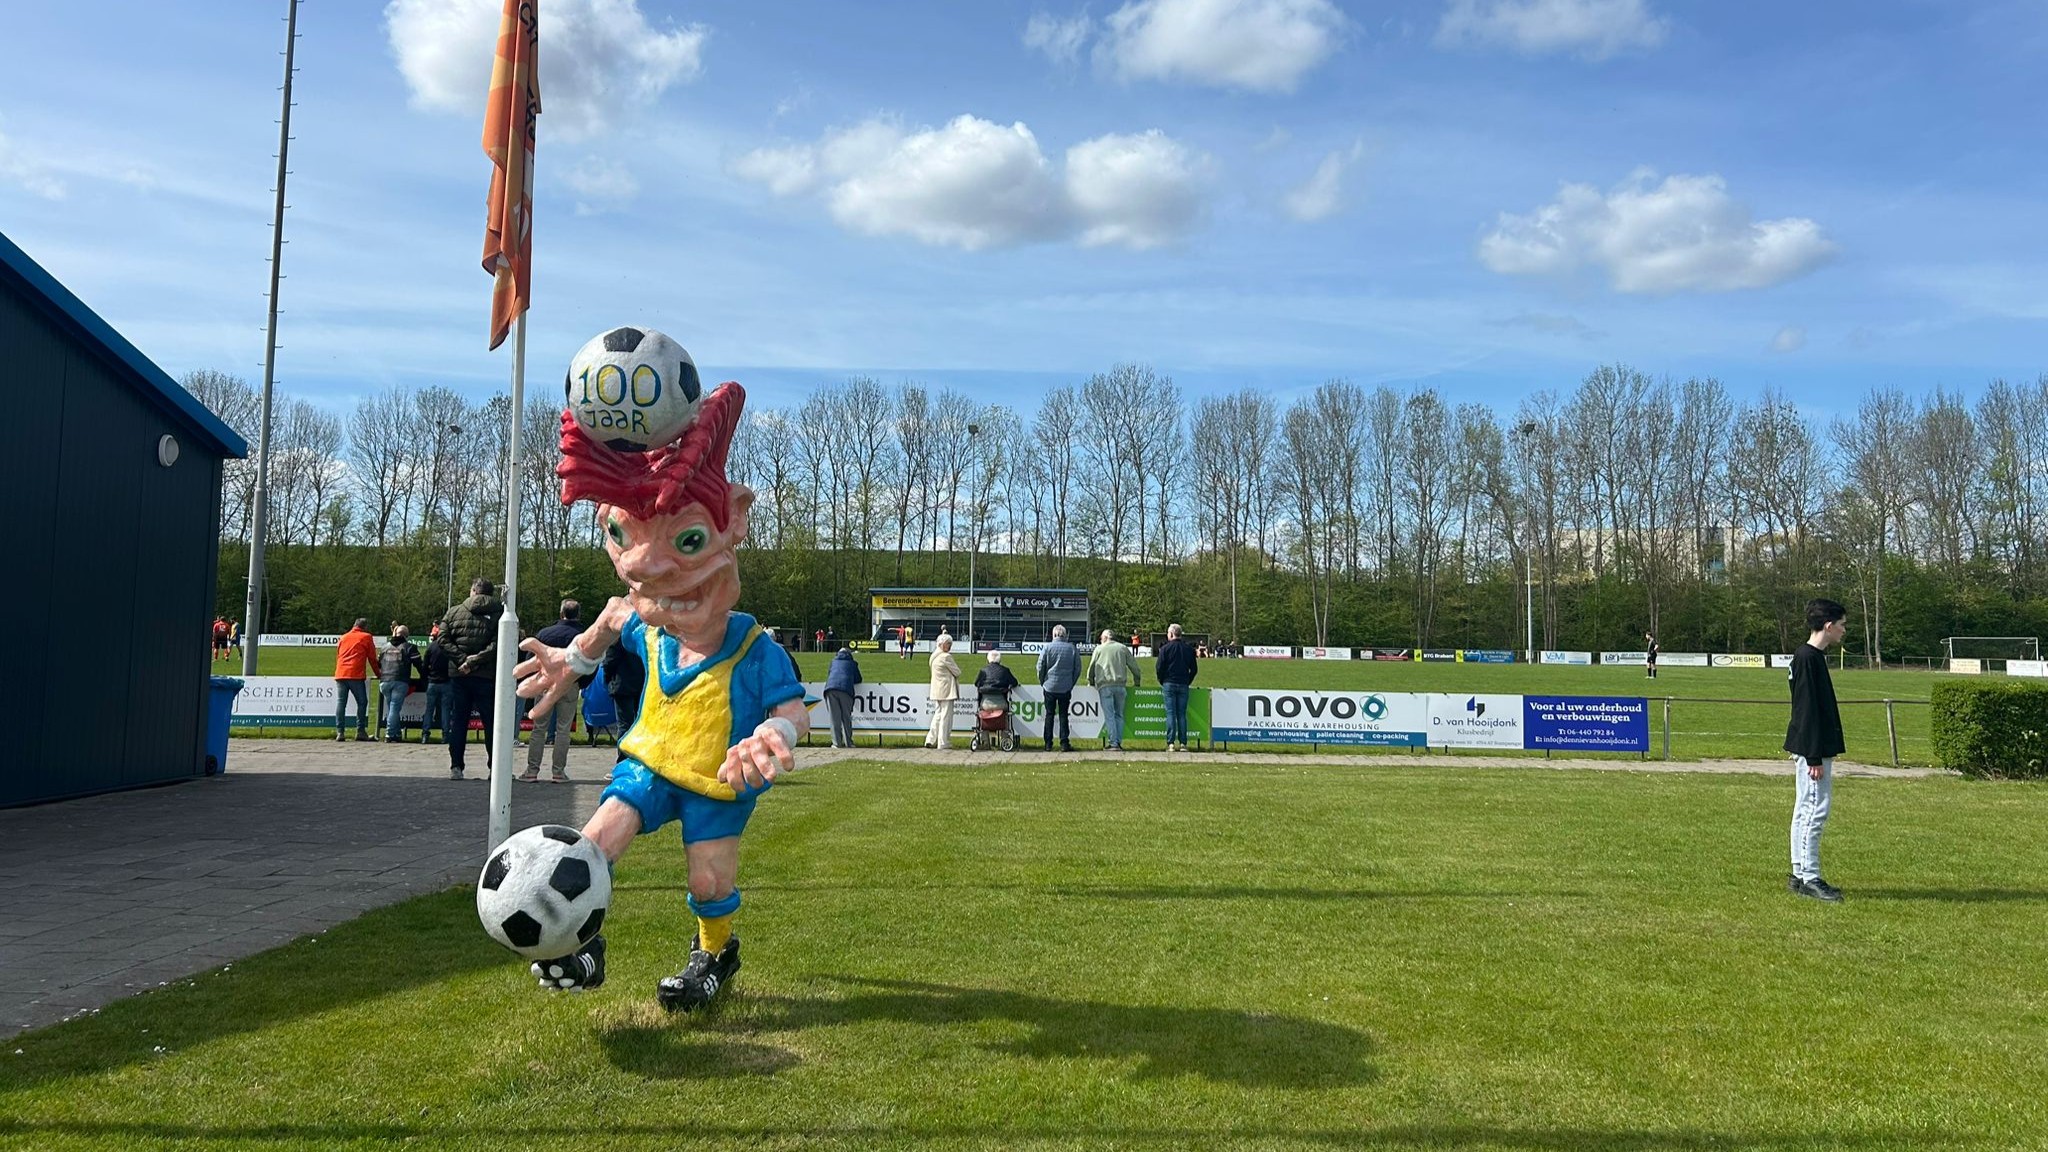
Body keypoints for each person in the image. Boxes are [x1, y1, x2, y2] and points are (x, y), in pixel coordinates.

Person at [513, 356, 807, 1011]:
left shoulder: (751, 647)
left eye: (689, 540)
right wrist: (573, 661)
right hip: (647, 764)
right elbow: (611, 619)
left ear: (734, 520)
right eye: (622, 535)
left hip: (718, 778)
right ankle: (581, 943)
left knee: (709, 881)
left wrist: (774, 733)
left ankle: (714, 953)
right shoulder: (647, 628)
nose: (646, 566)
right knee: (596, 843)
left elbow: (793, 708)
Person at [1785, 598, 1849, 902]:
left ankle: (1799, 873)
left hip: (1812, 745)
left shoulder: (1810, 657)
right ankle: (1810, 877)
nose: (1844, 630)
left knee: (1805, 809)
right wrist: (1813, 755)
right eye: (1842, 625)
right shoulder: (1808, 658)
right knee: (1814, 810)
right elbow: (1806, 709)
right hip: (1813, 748)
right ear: (1828, 625)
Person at [437, 577, 503, 780]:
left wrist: (462, 661)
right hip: (486, 675)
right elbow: (498, 643)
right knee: (491, 723)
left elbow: (442, 639)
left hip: (459, 675)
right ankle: (495, 768)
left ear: (472, 590)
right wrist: (474, 661)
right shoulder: (499, 613)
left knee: (459, 721)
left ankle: (456, 766)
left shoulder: (453, 612)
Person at [522, 601, 587, 782]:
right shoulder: (583, 636)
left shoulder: (545, 634)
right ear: (578, 615)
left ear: (561, 613)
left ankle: (532, 770)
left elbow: (530, 658)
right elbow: (592, 661)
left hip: (546, 683)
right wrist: (580, 683)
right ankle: (558, 772)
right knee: (563, 730)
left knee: (539, 728)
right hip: (570, 684)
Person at [1087, 628, 1141, 751]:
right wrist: (1137, 682)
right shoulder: (1122, 648)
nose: (1100, 640)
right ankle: (1118, 742)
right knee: (1119, 715)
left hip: (1105, 685)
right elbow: (1134, 667)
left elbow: (1092, 667)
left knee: (1109, 716)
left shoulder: (1099, 649)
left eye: (1101, 638)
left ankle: (1113, 743)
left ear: (1105, 638)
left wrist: (1091, 681)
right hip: (1121, 686)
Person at [333, 619, 380, 742]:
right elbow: (372, 658)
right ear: (365, 627)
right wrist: (379, 674)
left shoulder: (343, 637)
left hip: (341, 673)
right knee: (362, 702)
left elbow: (338, 655)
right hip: (355, 674)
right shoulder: (366, 637)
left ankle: (340, 732)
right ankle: (360, 731)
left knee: (341, 703)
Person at [1036, 625, 1079, 753]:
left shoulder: (1047, 648)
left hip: (1049, 686)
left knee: (1049, 714)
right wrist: (1071, 683)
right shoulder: (1072, 648)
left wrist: (1042, 681)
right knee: (1063, 714)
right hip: (1065, 687)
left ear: (1053, 635)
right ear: (1065, 635)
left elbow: (1040, 666)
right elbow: (1077, 668)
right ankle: (1064, 742)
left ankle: (1048, 743)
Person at [1155, 623, 1198, 751]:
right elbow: (1194, 669)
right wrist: (1188, 680)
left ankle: (1171, 743)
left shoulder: (1165, 649)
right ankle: (1183, 743)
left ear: (1171, 634)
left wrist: (1162, 680)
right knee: (1181, 714)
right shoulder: (1188, 649)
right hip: (1183, 683)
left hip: (1169, 682)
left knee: (1170, 713)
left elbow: (1159, 667)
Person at [379, 624, 421, 743]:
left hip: (384, 681)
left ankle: (397, 733)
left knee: (392, 708)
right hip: (399, 680)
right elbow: (419, 664)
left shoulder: (384, 647)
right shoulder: (409, 647)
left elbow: (379, 663)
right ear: (406, 636)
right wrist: (425, 676)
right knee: (394, 708)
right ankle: (390, 733)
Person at [926, 633, 961, 749]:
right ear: (941, 644)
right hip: (947, 691)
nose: (950, 646)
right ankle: (943, 742)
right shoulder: (946, 657)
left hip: (936, 689)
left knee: (937, 715)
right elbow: (957, 672)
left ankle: (930, 739)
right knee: (946, 717)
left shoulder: (933, 656)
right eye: (948, 644)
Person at [823, 645, 863, 748]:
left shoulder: (833, 662)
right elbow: (858, 679)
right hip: (845, 690)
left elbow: (829, 674)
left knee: (834, 718)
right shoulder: (852, 663)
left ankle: (836, 743)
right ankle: (849, 743)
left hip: (830, 689)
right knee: (846, 717)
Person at [421, 625, 454, 744]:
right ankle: (445, 735)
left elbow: (424, 666)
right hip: (446, 682)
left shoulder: (431, 647)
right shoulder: (449, 647)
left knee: (429, 709)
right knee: (446, 710)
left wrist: (425, 678)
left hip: (432, 682)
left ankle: (425, 734)